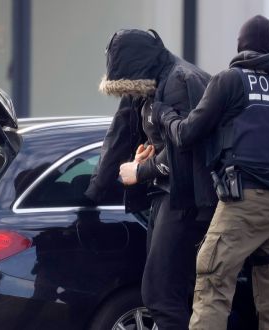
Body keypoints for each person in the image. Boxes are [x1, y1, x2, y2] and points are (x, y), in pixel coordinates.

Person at [157, 15, 269, 330]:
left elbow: (187, 134)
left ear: (240, 46)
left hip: (243, 200)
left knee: (213, 281)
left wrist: (166, 116)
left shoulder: (231, 80)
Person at [86, 29, 215, 329]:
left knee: (160, 295)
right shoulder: (151, 83)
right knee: (167, 294)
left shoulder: (179, 83)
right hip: (169, 196)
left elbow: (188, 151)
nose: (128, 96)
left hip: (183, 200)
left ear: (136, 70)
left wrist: (140, 171)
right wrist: (148, 154)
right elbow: (122, 133)